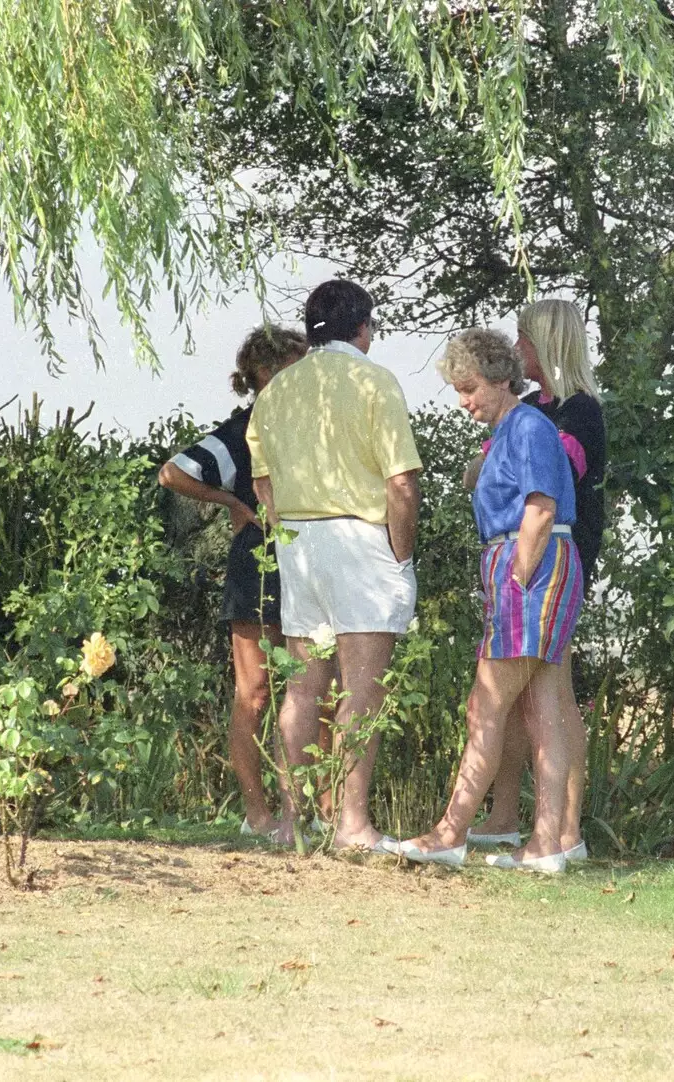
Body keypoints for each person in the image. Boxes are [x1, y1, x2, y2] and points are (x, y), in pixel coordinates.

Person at [246, 279, 423, 852]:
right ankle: (352, 824)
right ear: (364, 327)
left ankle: (293, 821)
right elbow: (401, 482)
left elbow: (261, 480)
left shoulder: (276, 391)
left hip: (299, 540)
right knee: (362, 687)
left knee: (302, 687)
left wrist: (283, 532)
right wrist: (401, 550)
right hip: (360, 537)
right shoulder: (373, 381)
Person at [399, 328, 584, 873]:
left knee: (487, 702)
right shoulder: (513, 427)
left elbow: (541, 509)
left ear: (504, 378)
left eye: (471, 387)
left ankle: (449, 833)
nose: (464, 401)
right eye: (457, 390)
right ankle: (547, 842)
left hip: (530, 565)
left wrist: (515, 580)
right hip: (535, 565)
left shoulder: (527, 425)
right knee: (542, 708)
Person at [467, 299, 604, 861]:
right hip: (522, 554)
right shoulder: (531, 408)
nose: (517, 349)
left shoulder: (579, 411)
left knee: (555, 691)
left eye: (525, 338)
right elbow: (484, 473)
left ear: (548, 342)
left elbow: (540, 486)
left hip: (555, 559)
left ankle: (566, 830)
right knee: (526, 693)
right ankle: (505, 817)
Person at [158, 326, 308, 838]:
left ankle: (312, 812)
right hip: (256, 562)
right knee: (256, 692)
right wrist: (234, 504)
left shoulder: (313, 426)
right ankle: (257, 815)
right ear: (265, 372)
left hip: (307, 560)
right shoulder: (244, 429)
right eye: (293, 363)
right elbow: (174, 472)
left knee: (314, 689)